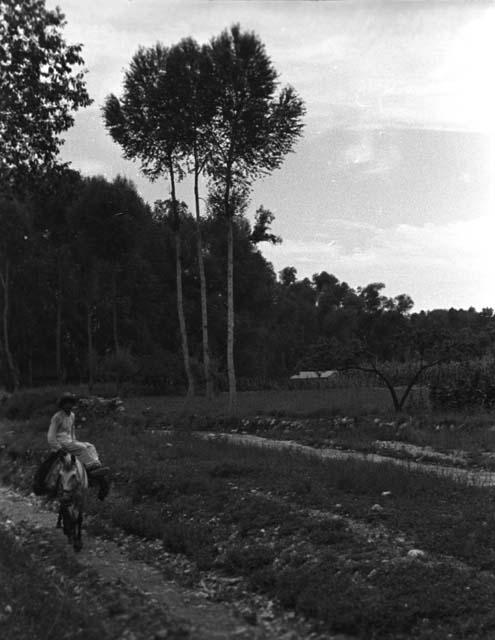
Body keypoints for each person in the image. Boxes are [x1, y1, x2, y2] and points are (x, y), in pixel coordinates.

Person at [45, 393, 111, 500]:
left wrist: (75, 441)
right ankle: (90, 468)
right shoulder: (57, 417)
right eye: (66, 404)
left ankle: (96, 465)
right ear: (62, 405)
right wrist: (58, 448)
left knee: (90, 446)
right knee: (83, 448)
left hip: (70, 441)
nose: (69, 406)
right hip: (61, 442)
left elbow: (72, 431)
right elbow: (51, 435)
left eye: (70, 403)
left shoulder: (72, 415)